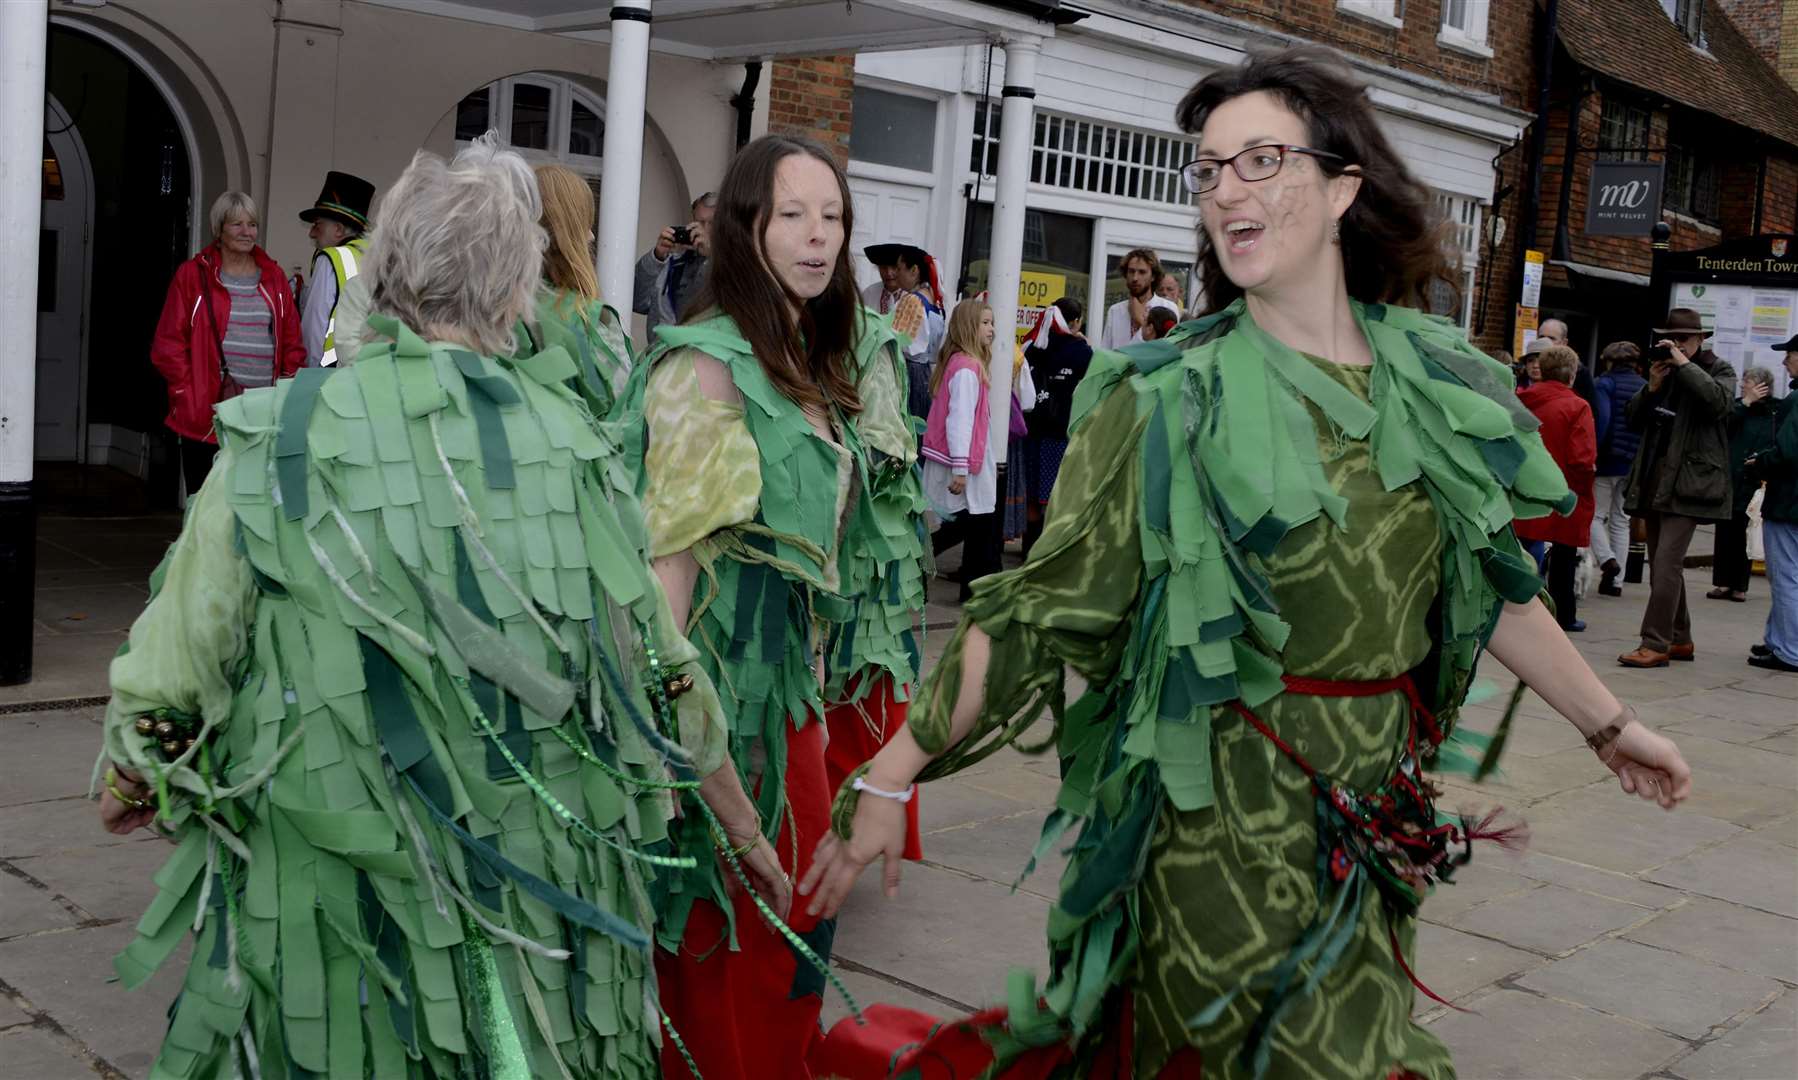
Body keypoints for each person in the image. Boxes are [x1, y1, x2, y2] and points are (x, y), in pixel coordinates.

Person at [802, 46, 1692, 1079]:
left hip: (1368, 821)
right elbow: (1036, 611)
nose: (1227, 189)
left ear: (1343, 186)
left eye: (1260, 159)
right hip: (1213, 821)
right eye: (1210, 168)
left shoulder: (1435, 379)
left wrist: (1610, 725)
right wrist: (890, 776)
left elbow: (1489, 588)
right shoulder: (1164, 395)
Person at [98, 135, 775, 1079]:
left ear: (381, 277)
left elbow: (189, 640)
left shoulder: (278, 435)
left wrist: (139, 765)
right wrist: (741, 823)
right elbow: (656, 665)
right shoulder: (572, 449)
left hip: (333, 881)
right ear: (512, 293)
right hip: (531, 884)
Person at [620, 133, 873, 1080]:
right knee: (727, 981)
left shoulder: (803, 357)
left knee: (788, 971)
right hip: (722, 749)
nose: (818, 238)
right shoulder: (705, 371)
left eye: (834, 216)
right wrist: (728, 809)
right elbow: (660, 613)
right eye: (793, 215)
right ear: (744, 228)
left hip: (796, 728)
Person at [823, 288, 933, 875]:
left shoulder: (870, 335)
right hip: (802, 555)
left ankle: (852, 825)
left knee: (859, 676)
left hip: (861, 554)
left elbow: (888, 447)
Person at [150, 191, 305, 496]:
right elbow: (167, 345)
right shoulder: (192, 275)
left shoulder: (273, 277)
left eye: (252, 224)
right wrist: (187, 393)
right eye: (237, 224)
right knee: (205, 503)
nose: (247, 232)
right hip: (207, 416)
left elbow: (292, 342)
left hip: (260, 416)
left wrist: (284, 391)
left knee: (252, 506)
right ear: (219, 229)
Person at [1618, 307, 1737, 668]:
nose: (1676, 344)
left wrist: (1684, 365)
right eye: (1671, 338)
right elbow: (1632, 419)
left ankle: (1655, 643)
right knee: (1663, 563)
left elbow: (1719, 404)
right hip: (1655, 479)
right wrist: (1651, 388)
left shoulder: (1718, 370)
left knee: (1665, 563)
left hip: (1691, 484)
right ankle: (1680, 639)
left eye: (1684, 338)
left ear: (1701, 339)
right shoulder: (1664, 373)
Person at [520, 163, 634, 416]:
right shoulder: (589, 318)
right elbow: (625, 409)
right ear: (566, 232)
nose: (591, 236)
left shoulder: (493, 309)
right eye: (584, 224)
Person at [922, 300, 1001, 603]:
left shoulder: (959, 363)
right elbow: (960, 419)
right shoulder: (967, 369)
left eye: (992, 323)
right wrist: (960, 467)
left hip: (963, 458)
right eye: (985, 323)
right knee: (972, 522)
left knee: (970, 522)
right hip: (963, 460)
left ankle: (968, 589)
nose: (992, 329)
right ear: (969, 326)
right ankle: (927, 564)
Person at [1515, 344, 1597, 632]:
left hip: (1524, 488)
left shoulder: (1519, 400)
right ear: (1572, 374)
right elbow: (1582, 459)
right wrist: (1586, 488)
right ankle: (1563, 614)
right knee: (1564, 558)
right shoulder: (1577, 406)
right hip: (1564, 490)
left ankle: (1516, 609)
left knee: (1519, 549)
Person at [1021, 296, 1093, 553]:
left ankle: (1028, 548)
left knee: (1032, 494)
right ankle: (1047, 551)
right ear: (1075, 322)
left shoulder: (1034, 346)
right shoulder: (1082, 351)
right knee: (1054, 496)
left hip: (1031, 428)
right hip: (1062, 431)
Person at [1745, 336, 1798, 671]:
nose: (1785, 362)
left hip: (1789, 501)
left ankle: (1788, 650)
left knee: (1785, 576)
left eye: (1790, 355)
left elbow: (1789, 452)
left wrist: (1760, 462)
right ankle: (1776, 640)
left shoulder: (1797, 399)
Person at [1709, 367, 1779, 603]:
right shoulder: (1739, 406)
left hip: (1756, 480)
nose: (1742, 385)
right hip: (1730, 477)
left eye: (1747, 382)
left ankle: (1740, 585)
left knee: (1746, 534)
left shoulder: (1774, 410)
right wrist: (1746, 402)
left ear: (1762, 385)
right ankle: (1722, 581)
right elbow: (1723, 425)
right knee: (1725, 530)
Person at [295, 170, 375, 367]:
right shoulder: (379, 258)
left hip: (329, 373)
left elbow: (314, 330)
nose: (312, 234)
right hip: (370, 372)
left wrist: (306, 375)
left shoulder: (330, 259)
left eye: (318, 225)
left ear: (338, 230)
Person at [864, 243, 947, 418]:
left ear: (914, 270)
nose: (895, 274)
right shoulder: (933, 300)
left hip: (908, 372)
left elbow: (899, 342)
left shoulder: (911, 301)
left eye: (899, 268)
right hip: (926, 373)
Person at [1592, 341, 1647, 597]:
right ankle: (1616, 582)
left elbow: (1602, 420)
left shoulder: (1604, 384)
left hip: (1607, 459)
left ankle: (1607, 560)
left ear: (1609, 361)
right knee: (1621, 520)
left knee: (1595, 515)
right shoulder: (1644, 385)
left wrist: (1594, 452)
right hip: (1632, 461)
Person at [633, 191, 715, 340]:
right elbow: (638, 301)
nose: (703, 229)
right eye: (699, 222)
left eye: (712, 223)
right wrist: (657, 256)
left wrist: (712, 254)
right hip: (662, 357)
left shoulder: (736, 267)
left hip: (704, 359)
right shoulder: (673, 263)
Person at [1102, 247, 1165, 349]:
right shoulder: (1115, 310)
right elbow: (1106, 352)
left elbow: (1166, 351)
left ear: (1153, 276)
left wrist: (1141, 321)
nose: (1135, 278)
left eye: (1142, 272)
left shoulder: (1167, 307)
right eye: (1131, 271)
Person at [1537, 316, 1597, 407]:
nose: (1545, 341)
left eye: (1551, 338)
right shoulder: (1526, 368)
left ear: (1564, 343)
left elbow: (1590, 410)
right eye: (1541, 337)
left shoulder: (1579, 372)